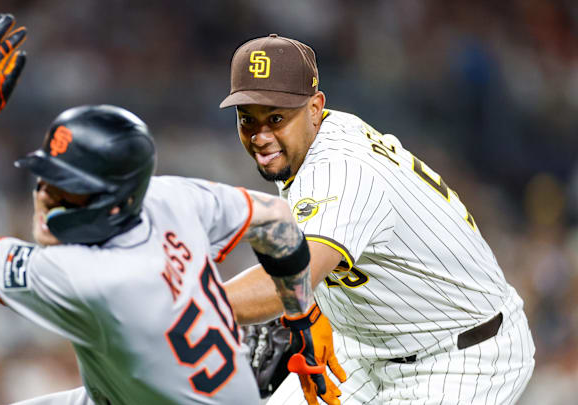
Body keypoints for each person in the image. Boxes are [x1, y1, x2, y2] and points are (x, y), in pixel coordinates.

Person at [0, 15, 331, 405]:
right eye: (43, 180)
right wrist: (298, 316)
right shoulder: (169, 197)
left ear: (113, 202)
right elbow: (276, 217)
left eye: (66, 190)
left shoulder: (90, 277)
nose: (43, 197)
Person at [220, 34, 535, 405]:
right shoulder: (307, 144)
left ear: (315, 107)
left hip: (461, 358)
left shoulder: (340, 169)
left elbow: (292, 277)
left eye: (275, 118)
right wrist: (315, 312)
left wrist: (189, 305)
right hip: (363, 351)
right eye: (248, 120)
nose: (260, 136)